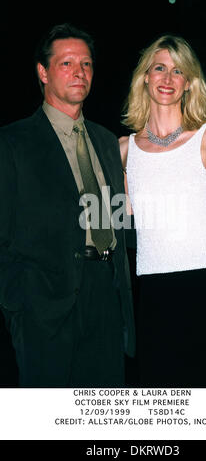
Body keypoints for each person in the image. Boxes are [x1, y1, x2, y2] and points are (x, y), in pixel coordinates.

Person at [0, 23, 135, 388]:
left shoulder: (107, 142)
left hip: (106, 297)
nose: (80, 72)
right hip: (43, 305)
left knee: (102, 418)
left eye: (87, 64)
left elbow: (120, 218)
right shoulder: (12, 143)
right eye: (67, 63)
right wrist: (19, 303)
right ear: (43, 72)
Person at [120, 35, 206, 387]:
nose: (168, 78)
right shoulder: (122, 149)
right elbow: (118, 220)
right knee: (162, 402)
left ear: (188, 84)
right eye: (160, 68)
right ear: (145, 78)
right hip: (153, 291)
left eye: (178, 71)